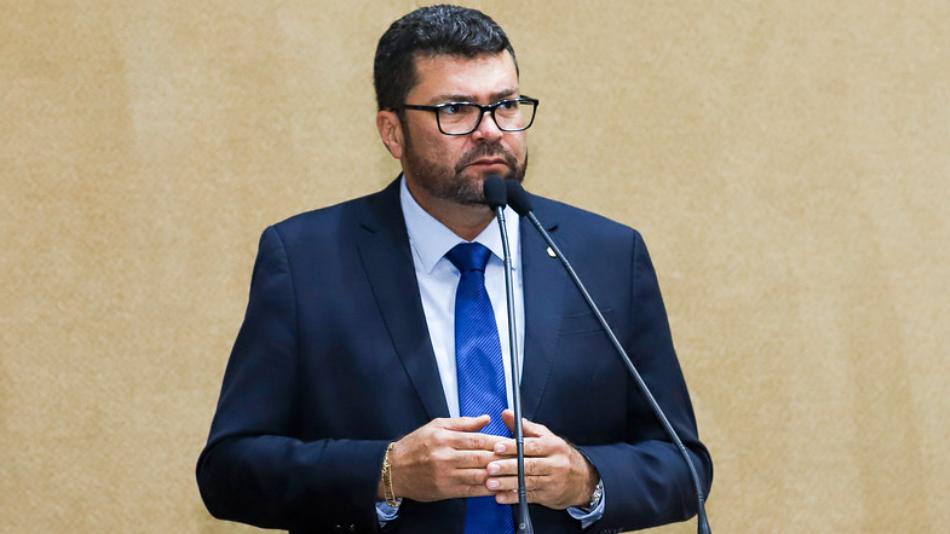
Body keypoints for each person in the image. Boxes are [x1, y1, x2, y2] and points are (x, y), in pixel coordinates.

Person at [196, 5, 712, 533]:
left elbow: (683, 464)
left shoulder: (605, 255)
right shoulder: (307, 260)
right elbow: (229, 471)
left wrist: (586, 480)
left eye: (505, 105)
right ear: (392, 132)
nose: (490, 130)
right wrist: (387, 472)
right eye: (456, 109)